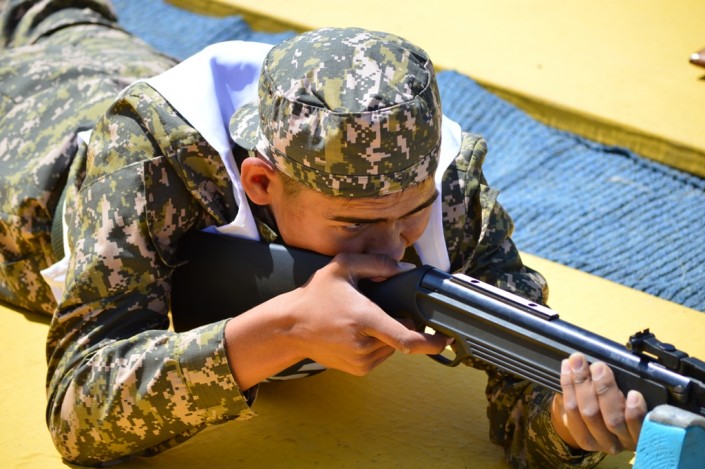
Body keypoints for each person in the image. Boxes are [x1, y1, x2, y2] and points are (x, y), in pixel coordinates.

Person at [0, 1, 647, 467]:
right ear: (260, 182)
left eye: (410, 213)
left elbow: (526, 385)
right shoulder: (149, 163)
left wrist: (567, 424)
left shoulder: (448, 193)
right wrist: (280, 331)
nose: (393, 248)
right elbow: (79, 409)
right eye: (356, 223)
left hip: (90, 43)